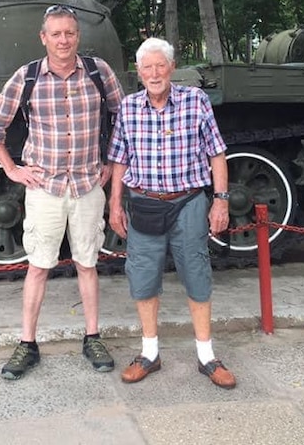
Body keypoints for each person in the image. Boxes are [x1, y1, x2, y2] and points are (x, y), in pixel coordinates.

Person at [0, 4, 125, 380]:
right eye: (56, 34)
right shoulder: (27, 77)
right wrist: (11, 169)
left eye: (70, 33)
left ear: (78, 36)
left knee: (87, 265)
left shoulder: (98, 72)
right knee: (39, 267)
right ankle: (27, 344)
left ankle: (92, 337)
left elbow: (123, 118)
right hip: (44, 187)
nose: (64, 40)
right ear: (43, 38)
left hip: (87, 185)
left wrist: (111, 161)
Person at [106, 37, 236, 389]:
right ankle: (149, 353)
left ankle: (207, 356)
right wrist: (114, 203)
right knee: (143, 276)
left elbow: (217, 153)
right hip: (145, 202)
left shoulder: (195, 101)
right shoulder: (129, 108)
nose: (154, 73)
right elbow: (119, 159)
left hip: (188, 202)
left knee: (197, 272)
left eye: (159, 65)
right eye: (147, 67)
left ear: (172, 68)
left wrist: (220, 200)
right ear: (139, 72)